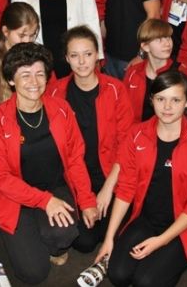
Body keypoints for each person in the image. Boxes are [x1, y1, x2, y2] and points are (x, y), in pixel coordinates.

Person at [0, 43, 98, 284]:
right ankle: (27, 235)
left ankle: (48, 239)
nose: (34, 81)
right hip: (15, 197)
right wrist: (44, 201)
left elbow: (75, 159)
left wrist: (87, 201)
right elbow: (1, 177)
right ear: (11, 80)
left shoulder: (61, 109)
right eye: (25, 75)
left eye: (39, 73)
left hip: (55, 188)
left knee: (66, 235)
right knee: (34, 273)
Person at [94, 70, 187, 287]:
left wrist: (161, 241)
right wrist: (109, 238)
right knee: (117, 275)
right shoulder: (137, 134)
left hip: (183, 227)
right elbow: (126, 189)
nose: (167, 107)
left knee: (145, 282)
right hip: (147, 219)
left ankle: (174, 260)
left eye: (175, 100)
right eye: (160, 99)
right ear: (152, 100)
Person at [46, 26, 134, 253]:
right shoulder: (55, 93)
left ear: (98, 55)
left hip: (112, 174)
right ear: (67, 58)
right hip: (75, 179)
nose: (82, 62)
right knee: (84, 242)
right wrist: (86, 198)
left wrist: (107, 189)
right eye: (74, 55)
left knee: (118, 233)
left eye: (88, 54)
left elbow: (127, 145)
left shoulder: (116, 89)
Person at [123, 19, 187, 123]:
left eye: (168, 37)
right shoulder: (133, 72)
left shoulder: (182, 73)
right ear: (145, 46)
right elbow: (124, 109)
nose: (167, 43)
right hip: (137, 130)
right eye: (159, 39)